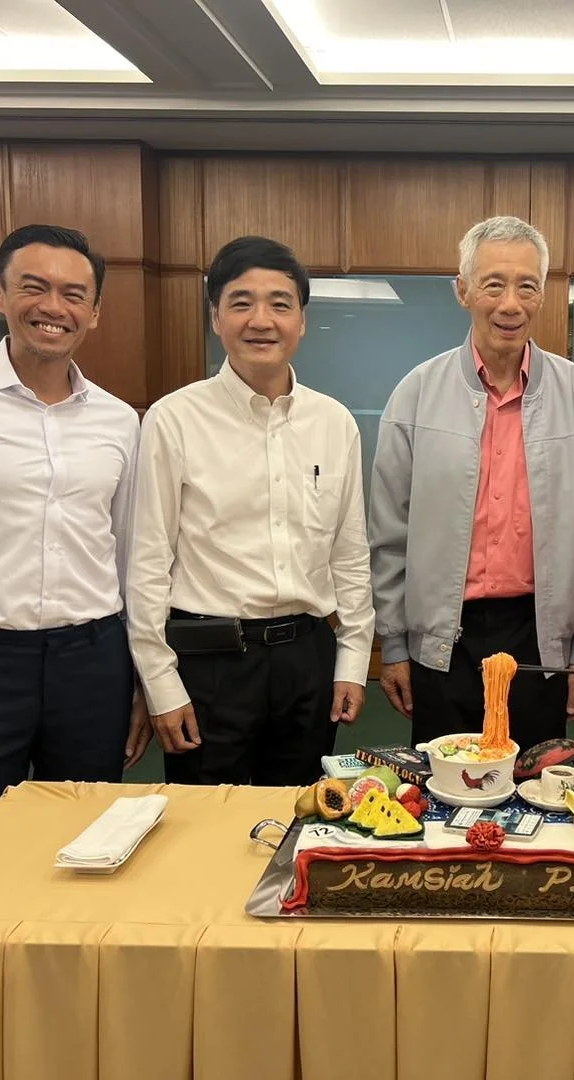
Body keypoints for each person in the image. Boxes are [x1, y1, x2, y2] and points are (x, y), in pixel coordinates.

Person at [127, 236, 374, 785]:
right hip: (209, 663)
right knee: (203, 829)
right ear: (216, 317)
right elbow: (147, 563)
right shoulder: (174, 419)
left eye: (280, 303)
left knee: (303, 819)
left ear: (302, 321)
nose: (261, 319)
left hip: (308, 659)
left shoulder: (334, 423)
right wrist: (161, 683)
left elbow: (350, 554)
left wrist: (353, 660)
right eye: (241, 302)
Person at [369, 215, 574, 753]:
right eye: (493, 284)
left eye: (527, 286)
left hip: (540, 633)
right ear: (463, 291)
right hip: (443, 634)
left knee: (535, 790)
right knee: (442, 795)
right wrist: (392, 644)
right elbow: (388, 531)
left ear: (542, 294)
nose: (511, 303)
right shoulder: (415, 394)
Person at [0, 224, 145, 831]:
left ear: (94, 312)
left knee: (87, 829)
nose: (53, 308)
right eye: (34, 288)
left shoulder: (119, 421)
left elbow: (128, 552)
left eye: (73, 294)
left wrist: (139, 678)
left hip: (90, 659)